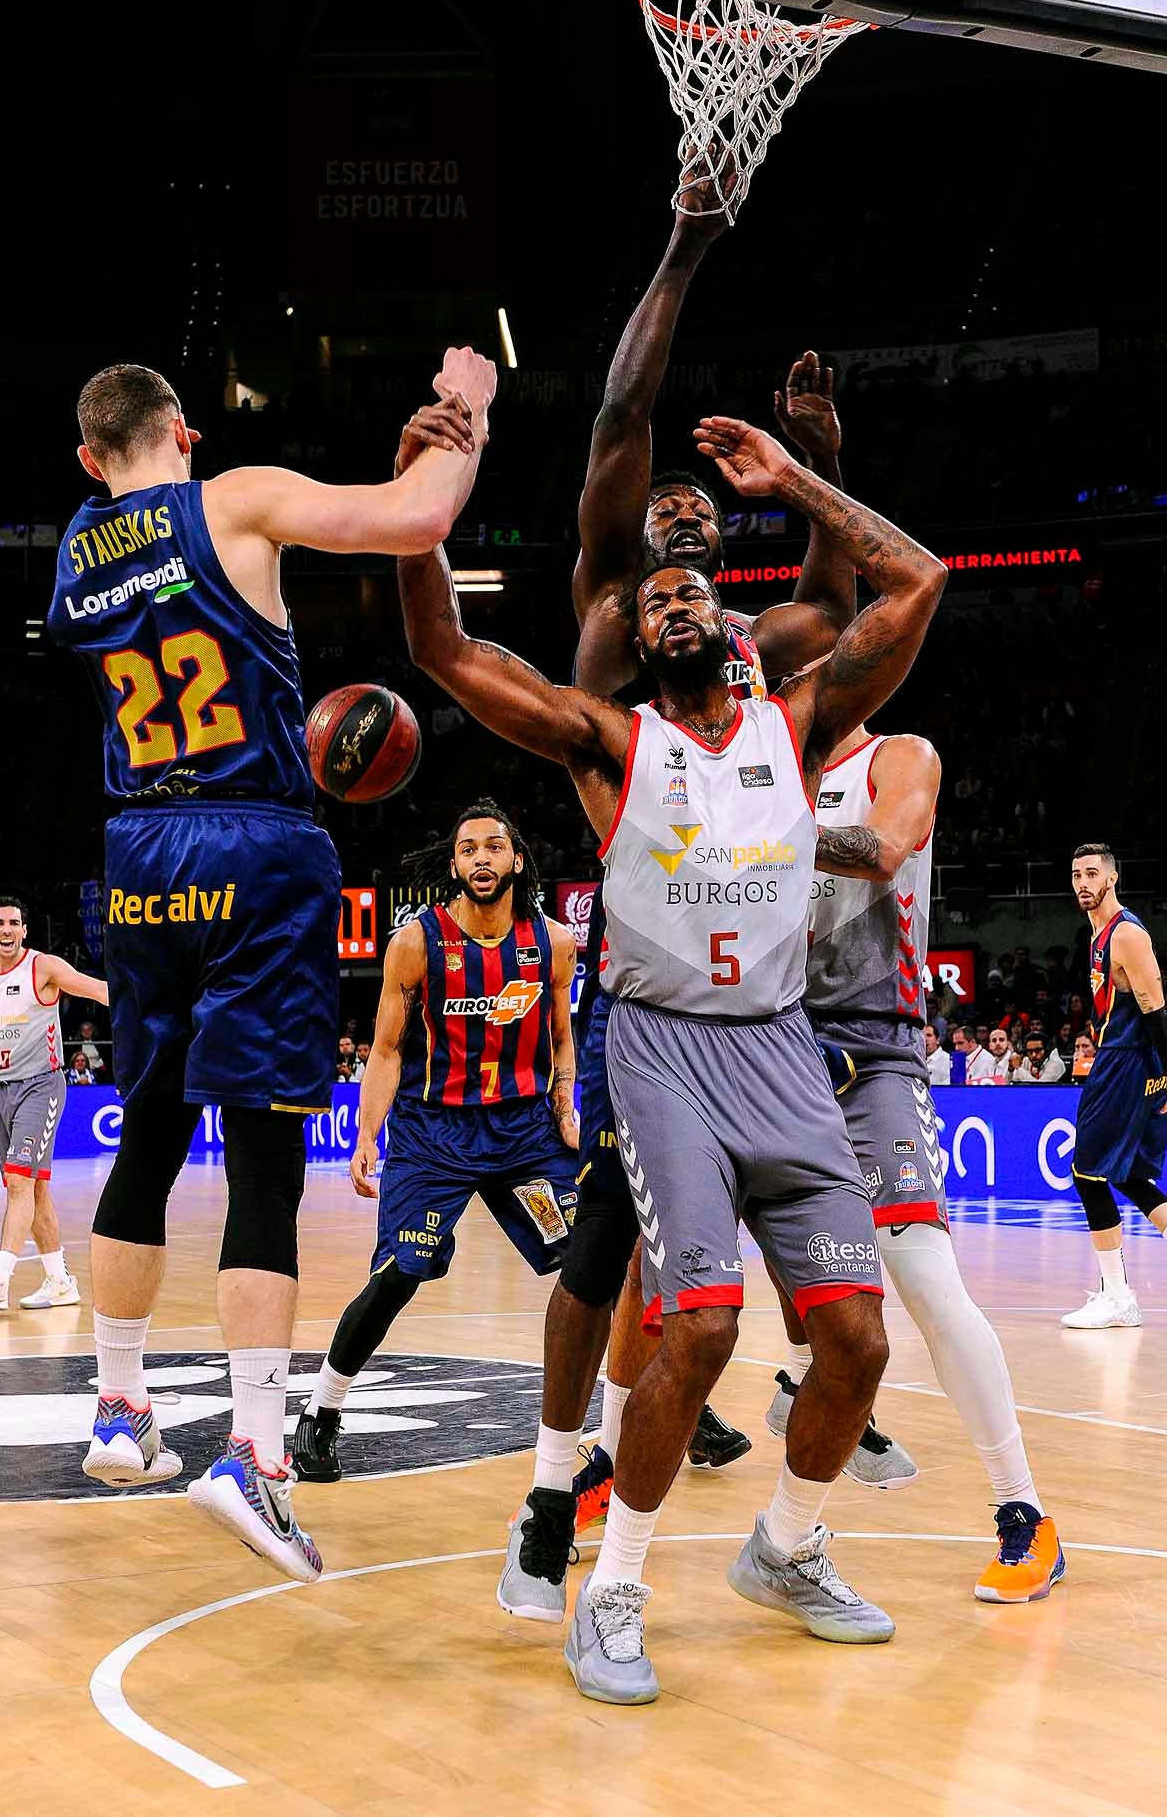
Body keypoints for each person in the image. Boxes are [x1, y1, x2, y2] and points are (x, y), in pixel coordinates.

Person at [398, 403, 946, 1703]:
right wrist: (420, 516)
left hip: (778, 1049)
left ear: (737, 630)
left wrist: (804, 479)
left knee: (856, 1340)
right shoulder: (610, 740)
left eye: (702, 590)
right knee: (698, 1320)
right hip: (659, 1051)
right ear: (636, 641)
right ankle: (615, 1589)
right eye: (658, 600)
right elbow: (441, 644)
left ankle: (789, 1547)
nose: (680, 602)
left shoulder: (794, 723)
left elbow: (918, 579)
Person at [45, 348, 495, 1582]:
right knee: (259, 1151)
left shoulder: (74, 553)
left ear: (91, 460)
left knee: (144, 1130)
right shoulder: (230, 498)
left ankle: (123, 1414)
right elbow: (419, 519)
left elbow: (118, 528)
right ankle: (253, 1452)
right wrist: (467, 414)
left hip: (137, 847)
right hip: (257, 835)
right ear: (184, 433)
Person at [529, 197, 861, 1548]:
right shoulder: (615, 607)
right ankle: (556, 1485)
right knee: (605, 1246)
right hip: (639, 986)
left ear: (720, 545)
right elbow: (620, 424)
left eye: (694, 516)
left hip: (744, 991)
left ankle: (635, 1457)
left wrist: (823, 461)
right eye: (658, 508)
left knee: (680, 1289)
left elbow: (843, 603)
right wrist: (681, 247)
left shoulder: (752, 645)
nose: (677, 521)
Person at [777, 723, 1062, 1602]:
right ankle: (582, 1485)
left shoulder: (899, 754)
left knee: (927, 1281)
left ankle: (1025, 1513)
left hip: (872, 1048)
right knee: (685, 1268)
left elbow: (887, 844)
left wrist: (751, 827)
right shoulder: (760, 761)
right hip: (773, 1046)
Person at [292, 803, 580, 1481]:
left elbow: (561, 1039)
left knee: (593, 1265)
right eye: (468, 848)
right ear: (454, 864)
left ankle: (658, 1405)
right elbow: (387, 1051)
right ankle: (321, 1412)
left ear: (516, 859)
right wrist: (367, 1134)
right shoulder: (415, 942)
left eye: (494, 846)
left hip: (524, 1133)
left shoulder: (554, 942)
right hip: (434, 1134)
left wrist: (565, 1103)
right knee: (399, 1273)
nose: (481, 858)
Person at [0, 897, 108, 1312]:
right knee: (34, 1188)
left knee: (19, 1184)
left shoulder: (43, 967)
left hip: (40, 1086)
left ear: (25, 930)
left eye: (14, 923)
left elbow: (100, 991)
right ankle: (59, 1281)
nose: (6, 930)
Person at [1061, 844, 1167, 1330]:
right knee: (1123, 1174)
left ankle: (1118, 1296)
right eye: (1077, 875)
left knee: (1087, 1174)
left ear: (1113, 878)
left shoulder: (1125, 933)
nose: (1084, 882)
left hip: (1128, 1064)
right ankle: (1117, 1294)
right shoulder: (1097, 933)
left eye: (1092, 874)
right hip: (1120, 1059)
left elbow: (1158, 1012)